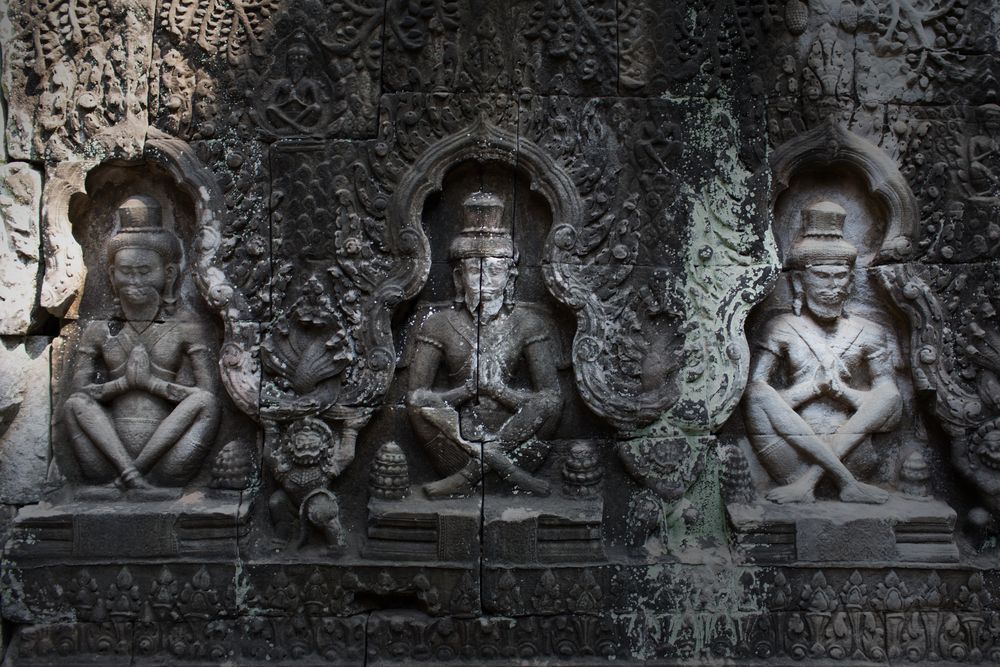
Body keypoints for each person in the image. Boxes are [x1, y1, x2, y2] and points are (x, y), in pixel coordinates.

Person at [743, 200, 901, 504]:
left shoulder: (870, 331)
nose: (833, 287)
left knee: (891, 394)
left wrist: (843, 393)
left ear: (851, 280)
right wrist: (813, 389)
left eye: (840, 276)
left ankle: (813, 483)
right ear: (799, 280)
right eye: (822, 276)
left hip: (855, 454)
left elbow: (891, 413)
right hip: (791, 457)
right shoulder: (781, 327)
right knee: (757, 393)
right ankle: (844, 484)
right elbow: (761, 399)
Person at [406, 191, 562, 498]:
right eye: (476, 271)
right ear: (458, 276)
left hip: (517, 433)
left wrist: (500, 392)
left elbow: (549, 395)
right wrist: (467, 391)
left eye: (495, 271)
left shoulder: (529, 323)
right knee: (418, 403)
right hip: (455, 437)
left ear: (510, 278)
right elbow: (418, 394)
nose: (484, 282)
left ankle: (469, 476)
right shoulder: (438, 323)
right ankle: (505, 472)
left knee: (550, 403)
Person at [64, 195, 220, 492]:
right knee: (74, 403)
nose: (135, 281)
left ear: (169, 273)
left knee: (207, 402)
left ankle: (134, 474)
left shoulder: (186, 327)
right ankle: (130, 474)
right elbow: (80, 391)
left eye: (145, 271)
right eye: (126, 272)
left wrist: (151, 384)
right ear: (112, 275)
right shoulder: (99, 330)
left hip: (167, 459)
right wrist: (123, 384)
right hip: (104, 456)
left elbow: (205, 392)